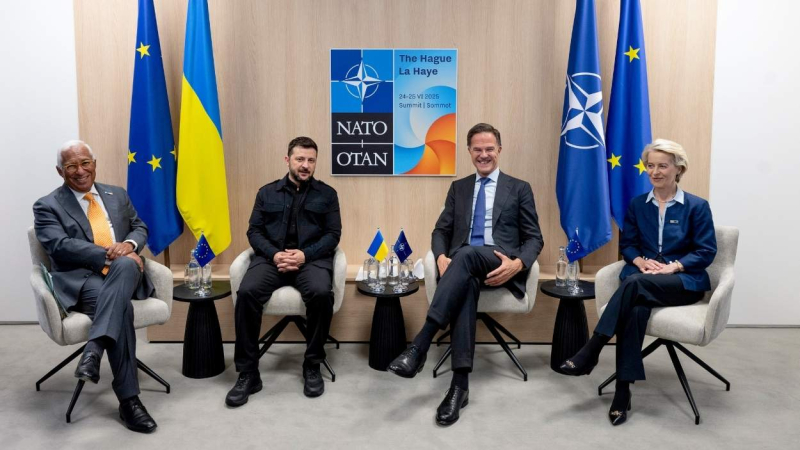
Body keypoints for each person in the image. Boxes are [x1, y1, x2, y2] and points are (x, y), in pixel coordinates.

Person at [387, 123, 544, 426]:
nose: (484, 155)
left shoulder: (519, 188)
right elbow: (440, 231)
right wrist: (441, 256)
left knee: (468, 255)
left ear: (499, 150)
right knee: (466, 275)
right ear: (470, 151)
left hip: (499, 262)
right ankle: (459, 387)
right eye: (477, 149)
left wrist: (518, 264)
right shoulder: (459, 188)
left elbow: (534, 238)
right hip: (463, 267)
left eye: (489, 149)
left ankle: (420, 344)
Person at [559, 139, 717, 426]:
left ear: (679, 169)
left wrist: (674, 266)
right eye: (650, 166)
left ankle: (593, 347)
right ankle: (622, 392)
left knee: (633, 285)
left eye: (662, 166)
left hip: (681, 282)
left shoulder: (697, 206)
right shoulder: (637, 205)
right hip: (644, 280)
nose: (655, 172)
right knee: (634, 307)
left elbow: (706, 251)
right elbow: (628, 246)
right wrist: (641, 262)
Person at [33, 140, 158, 433]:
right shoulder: (47, 205)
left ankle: (94, 349)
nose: (80, 171)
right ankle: (129, 401)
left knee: (126, 266)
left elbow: (139, 227)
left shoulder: (117, 194)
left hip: (124, 274)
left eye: (85, 163)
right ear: (60, 171)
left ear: (94, 164)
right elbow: (59, 245)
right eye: (71, 166)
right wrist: (113, 255)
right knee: (122, 308)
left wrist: (130, 245)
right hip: (83, 280)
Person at [227, 136, 341, 406]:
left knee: (321, 293)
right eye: (300, 159)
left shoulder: (327, 194)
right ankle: (248, 373)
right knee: (247, 293)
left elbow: (333, 234)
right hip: (272, 260)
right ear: (287, 159)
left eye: (311, 160)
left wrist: (304, 255)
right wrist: (275, 254)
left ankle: (312, 364)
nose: (305, 165)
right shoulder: (266, 193)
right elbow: (254, 231)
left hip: (310, 260)